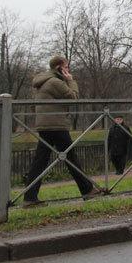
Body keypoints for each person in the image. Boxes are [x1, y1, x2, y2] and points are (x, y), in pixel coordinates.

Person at [23, 56, 99, 207]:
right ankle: (87, 190)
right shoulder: (55, 82)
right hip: (56, 125)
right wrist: (70, 80)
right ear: (59, 67)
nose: (68, 69)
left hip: (46, 125)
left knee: (41, 161)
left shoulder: (42, 82)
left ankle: (30, 197)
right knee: (70, 158)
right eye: (66, 66)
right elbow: (73, 98)